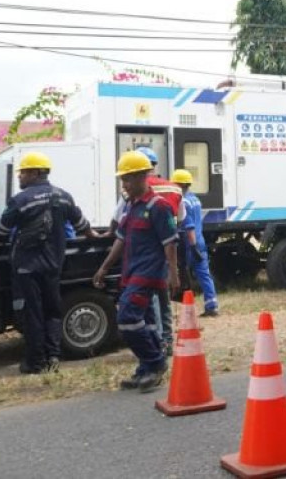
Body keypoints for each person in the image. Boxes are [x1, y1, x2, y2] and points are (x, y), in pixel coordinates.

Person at [0, 152, 94, 374]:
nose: (20, 176)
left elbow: (1, 231)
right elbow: (82, 225)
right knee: (53, 311)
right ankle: (53, 356)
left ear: (35, 173)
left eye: (23, 172)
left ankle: (35, 362)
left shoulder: (20, 200)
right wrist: (98, 237)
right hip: (54, 265)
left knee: (33, 313)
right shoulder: (64, 197)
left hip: (27, 267)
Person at [92, 150, 180, 392]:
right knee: (146, 322)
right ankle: (146, 368)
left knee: (127, 319)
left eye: (128, 179)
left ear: (143, 177)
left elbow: (170, 243)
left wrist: (174, 275)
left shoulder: (159, 207)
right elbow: (120, 240)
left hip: (148, 275)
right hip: (131, 274)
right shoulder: (131, 206)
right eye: (122, 179)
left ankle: (155, 362)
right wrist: (104, 268)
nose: (124, 184)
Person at [135, 146, 184, 356]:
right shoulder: (175, 189)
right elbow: (180, 219)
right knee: (164, 296)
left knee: (151, 297)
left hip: (146, 250)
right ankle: (168, 340)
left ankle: (157, 341)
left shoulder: (135, 188)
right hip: (168, 247)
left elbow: (121, 219)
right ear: (155, 165)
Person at [171, 168, 219, 317]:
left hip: (189, 242)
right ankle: (212, 306)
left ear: (179, 185)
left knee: (182, 273)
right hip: (200, 240)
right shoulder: (195, 199)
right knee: (204, 274)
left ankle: (184, 306)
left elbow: (188, 225)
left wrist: (192, 246)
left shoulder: (183, 202)